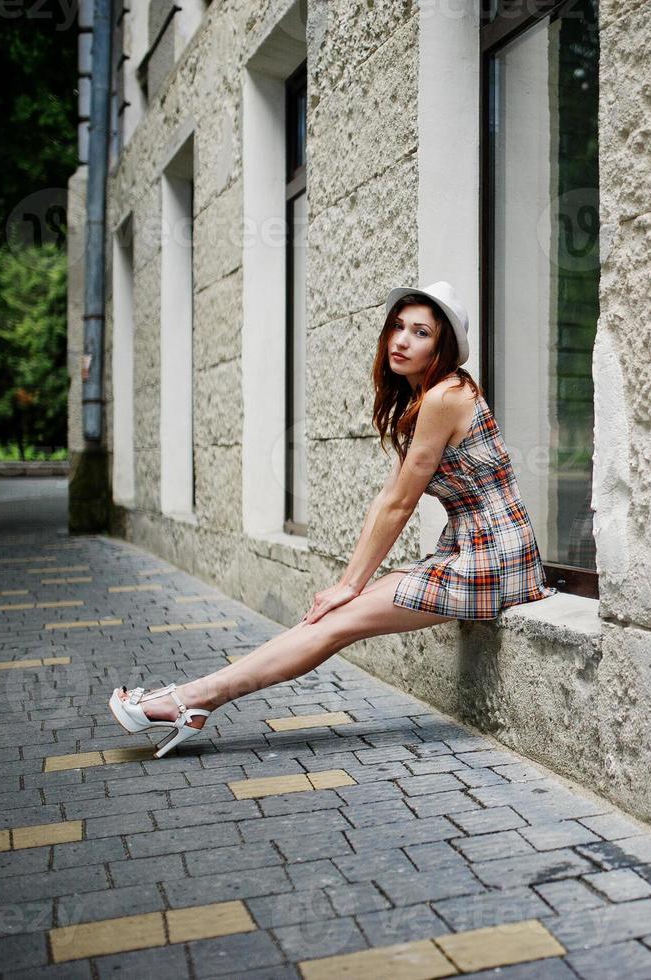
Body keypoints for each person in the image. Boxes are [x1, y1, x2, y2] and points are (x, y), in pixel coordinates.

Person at [108, 281, 557, 757]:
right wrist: (350, 582)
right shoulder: (420, 400)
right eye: (398, 327)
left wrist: (349, 585)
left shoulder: (447, 394)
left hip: (494, 561)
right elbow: (388, 496)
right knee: (332, 615)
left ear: (442, 346)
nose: (401, 340)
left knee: (334, 621)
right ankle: (190, 699)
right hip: (471, 550)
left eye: (420, 332)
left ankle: (189, 702)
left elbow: (400, 506)